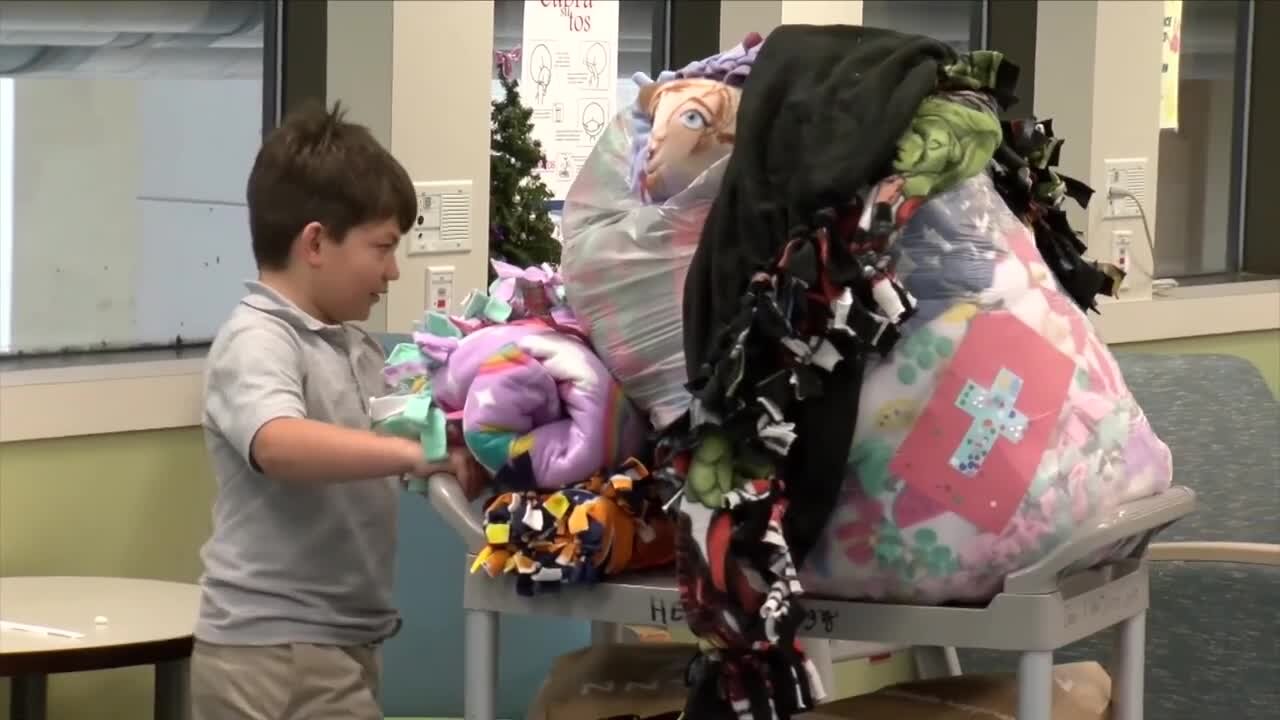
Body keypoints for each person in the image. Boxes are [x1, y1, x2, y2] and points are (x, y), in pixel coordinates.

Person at [189, 101, 482, 720]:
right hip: (273, 650)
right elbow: (279, 443)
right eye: (382, 247)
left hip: (340, 639)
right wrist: (415, 452)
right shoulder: (257, 339)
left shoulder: (351, 345)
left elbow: (396, 432)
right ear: (316, 242)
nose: (393, 271)